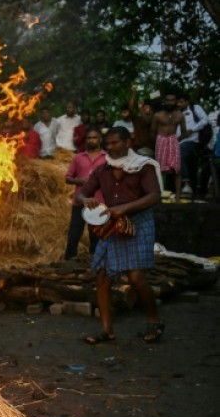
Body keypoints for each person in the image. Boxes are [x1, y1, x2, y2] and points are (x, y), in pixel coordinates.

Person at [77, 127, 163, 344]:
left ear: (128, 142)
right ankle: (107, 330)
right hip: (111, 225)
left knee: (136, 278)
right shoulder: (102, 170)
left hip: (139, 224)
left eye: (115, 143)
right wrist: (85, 199)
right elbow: (82, 193)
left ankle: (154, 320)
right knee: (103, 277)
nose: (110, 147)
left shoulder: (143, 167)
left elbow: (154, 196)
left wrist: (124, 208)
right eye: (109, 144)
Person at [64, 129, 106, 259]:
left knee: (96, 237)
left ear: (100, 139)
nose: (91, 140)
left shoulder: (108, 158)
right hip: (80, 202)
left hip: (99, 203)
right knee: (73, 236)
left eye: (94, 137)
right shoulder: (78, 158)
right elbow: (67, 178)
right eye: (88, 138)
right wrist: (80, 181)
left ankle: (94, 266)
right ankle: (68, 265)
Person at [152, 92, 186, 194]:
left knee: (176, 170)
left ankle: (177, 198)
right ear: (164, 102)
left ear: (175, 101)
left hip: (173, 141)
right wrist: (159, 141)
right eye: (168, 100)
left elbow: (184, 133)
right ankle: (159, 196)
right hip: (161, 141)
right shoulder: (158, 115)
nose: (170, 102)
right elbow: (152, 132)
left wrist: (174, 141)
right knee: (160, 169)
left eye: (172, 100)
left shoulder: (180, 115)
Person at [177, 92, 208, 198]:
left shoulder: (195, 108)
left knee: (180, 155)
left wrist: (192, 130)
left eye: (181, 102)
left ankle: (187, 184)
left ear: (187, 102)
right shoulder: (176, 113)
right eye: (178, 102)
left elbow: (205, 120)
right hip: (178, 141)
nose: (179, 104)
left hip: (191, 140)